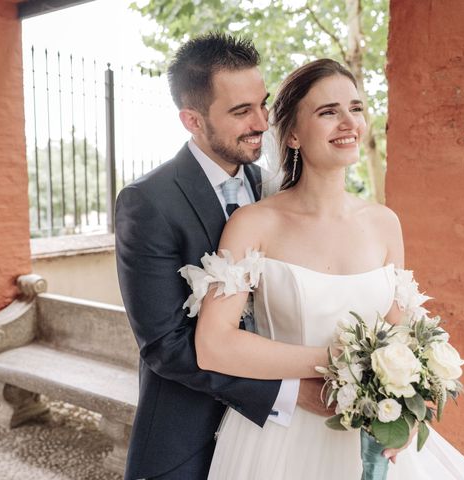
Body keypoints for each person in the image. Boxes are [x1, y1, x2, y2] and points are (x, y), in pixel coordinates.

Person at [187, 58, 464, 479]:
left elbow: (402, 334)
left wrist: (410, 409)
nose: (348, 122)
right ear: (291, 134)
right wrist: (334, 360)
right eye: (328, 112)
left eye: (356, 108)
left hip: (374, 434)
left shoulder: (385, 223)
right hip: (280, 442)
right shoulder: (254, 224)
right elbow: (214, 345)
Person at [115, 33, 329, 480]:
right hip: (188, 439)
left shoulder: (273, 188)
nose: (262, 122)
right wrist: (287, 393)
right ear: (192, 121)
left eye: (263, 103)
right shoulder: (147, 202)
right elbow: (165, 346)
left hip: (277, 447)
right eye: (240, 111)